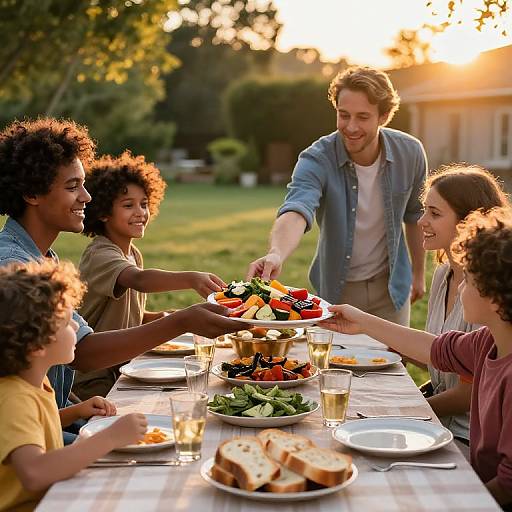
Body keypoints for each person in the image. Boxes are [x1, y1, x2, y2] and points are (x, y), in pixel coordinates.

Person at [0, 118, 240, 442]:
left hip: (55, 420)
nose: (86, 196)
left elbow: (53, 375)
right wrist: (182, 321)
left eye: (83, 184)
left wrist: (79, 408)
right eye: (72, 186)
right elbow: (83, 353)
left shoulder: (45, 259)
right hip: (32, 440)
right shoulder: (14, 267)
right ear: (32, 193)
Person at [320, 207, 512, 507]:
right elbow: (433, 349)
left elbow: (508, 485)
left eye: (469, 281)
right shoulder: (488, 342)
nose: (460, 286)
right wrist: (362, 321)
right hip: (477, 482)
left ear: (495, 297)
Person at [247, 66, 427, 326]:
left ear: (384, 116)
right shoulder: (317, 158)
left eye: (363, 117)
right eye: (344, 115)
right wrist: (276, 253)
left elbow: (415, 216)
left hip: (390, 291)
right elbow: (297, 208)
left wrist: (418, 274)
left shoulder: (410, 153)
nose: (351, 127)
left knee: (391, 365)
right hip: (338, 292)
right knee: (336, 366)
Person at [73, 151, 227, 399]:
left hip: (121, 365)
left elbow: (122, 314)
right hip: (94, 378)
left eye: (144, 204)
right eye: (128, 205)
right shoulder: (100, 253)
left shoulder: (132, 253)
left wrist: (160, 317)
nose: (140, 212)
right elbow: (139, 281)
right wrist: (191, 278)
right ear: (103, 213)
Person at [0, 259, 148, 511]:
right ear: (37, 345)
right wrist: (111, 437)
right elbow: (34, 472)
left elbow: (32, 428)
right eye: (66, 322)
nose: (77, 326)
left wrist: (75, 413)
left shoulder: (31, 383)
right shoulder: (15, 397)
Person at [418, 164, 509, 447]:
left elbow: (467, 393)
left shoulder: (488, 294)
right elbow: (442, 353)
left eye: (434, 213)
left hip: (467, 437)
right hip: (440, 425)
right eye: (424, 209)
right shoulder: (444, 274)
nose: (421, 221)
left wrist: (412, 411)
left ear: (467, 222)